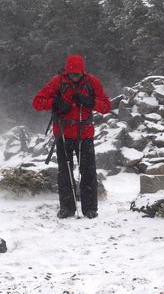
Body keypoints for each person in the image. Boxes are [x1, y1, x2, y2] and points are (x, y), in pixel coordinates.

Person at [32, 54, 111, 219]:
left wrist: (90, 102)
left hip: (85, 134)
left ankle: (90, 209)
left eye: (78, 74)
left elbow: (106, 106)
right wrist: (55, 103)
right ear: (67, 72)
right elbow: (37, 102)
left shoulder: (92, 82)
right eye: (72, 74)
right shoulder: (58, 81)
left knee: (88, 172)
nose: (75, 77)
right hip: (63, 133)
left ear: (83, 72)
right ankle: (67, 208)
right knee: (65, 172)